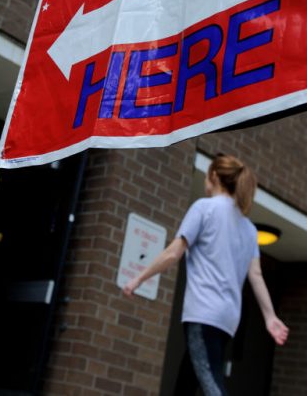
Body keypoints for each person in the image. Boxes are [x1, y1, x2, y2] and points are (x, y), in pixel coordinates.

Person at [122, 153, 288, 396]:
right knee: (187, 381)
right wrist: (270, 317)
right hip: (227, 319)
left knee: (211, 382)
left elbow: (173, 253)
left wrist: (139, 277)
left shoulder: (204, 208)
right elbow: (256, 275)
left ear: (213, 176)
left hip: (204, 314)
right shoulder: (249, 228)